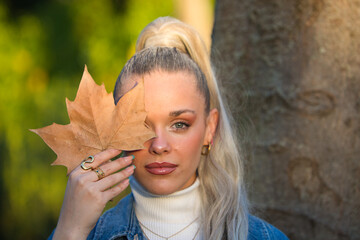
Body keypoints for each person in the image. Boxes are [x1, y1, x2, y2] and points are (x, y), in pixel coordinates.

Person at [49, 17, 288, 240]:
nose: (159, 145)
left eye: (179, 124)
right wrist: (71, 231)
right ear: (115, 131)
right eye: (141, 125)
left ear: (210, 128)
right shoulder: (81, 234)